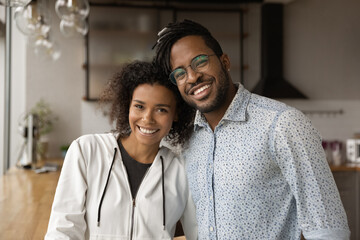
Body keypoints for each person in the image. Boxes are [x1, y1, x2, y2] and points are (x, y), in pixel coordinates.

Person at [154, 19, 350, 239]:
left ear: (225, 61)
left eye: (199, 61)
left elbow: (328, 228)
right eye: (180, 73)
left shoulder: (283, 124)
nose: (192, 77)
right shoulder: (186, 139)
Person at [45, 61, 197, 239]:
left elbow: (197, 232)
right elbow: (63, 230)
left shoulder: (181, 170)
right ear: (128, 106)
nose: (147, 119)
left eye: (161, 110)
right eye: (139, 106)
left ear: (176, 114)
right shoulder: (87, 151)